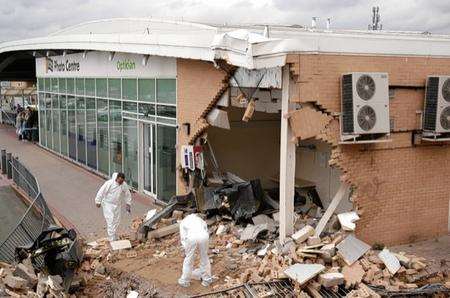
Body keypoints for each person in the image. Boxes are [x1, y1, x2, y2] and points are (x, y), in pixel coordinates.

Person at [95, 172, 132, 242]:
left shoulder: (123, 184)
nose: (121, 183)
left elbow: (127, 194)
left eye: (122, 181)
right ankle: (112, 239)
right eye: (120, 181)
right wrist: (98, 201)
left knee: (116, 221)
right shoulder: (109, 183)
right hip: (108, 204)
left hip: (117, 205)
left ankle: (113, 235)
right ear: (117, 178)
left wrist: (128, 204)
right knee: (110, 221)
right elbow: (101, 192)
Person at [178, 214, 212, 288]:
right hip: (204, 236)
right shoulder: (200, 220)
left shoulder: (183, 222)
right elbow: (205, 229)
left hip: (191, 237)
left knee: (189, 259)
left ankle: (185, 281)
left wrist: (186, 248)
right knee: (204, 257)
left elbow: (183, 236)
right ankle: (207, 280)